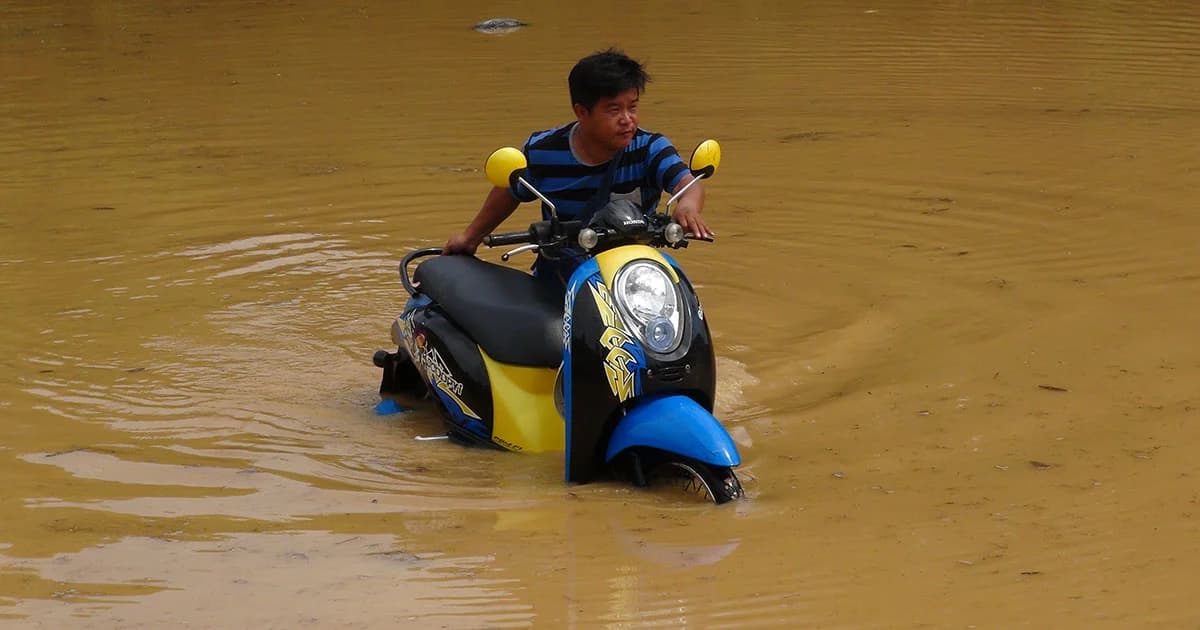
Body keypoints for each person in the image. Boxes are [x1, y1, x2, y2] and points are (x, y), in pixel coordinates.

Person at [442, 48, 712, 289]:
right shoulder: (543, 150)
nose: (627, 120)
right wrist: (470, 237)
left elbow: (686, 184)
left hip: (635, 276)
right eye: (614, 110)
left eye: (632, 107)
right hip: (563, 276)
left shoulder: (650, 147)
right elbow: (511, 189)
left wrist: (688, 206)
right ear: (582, 112)